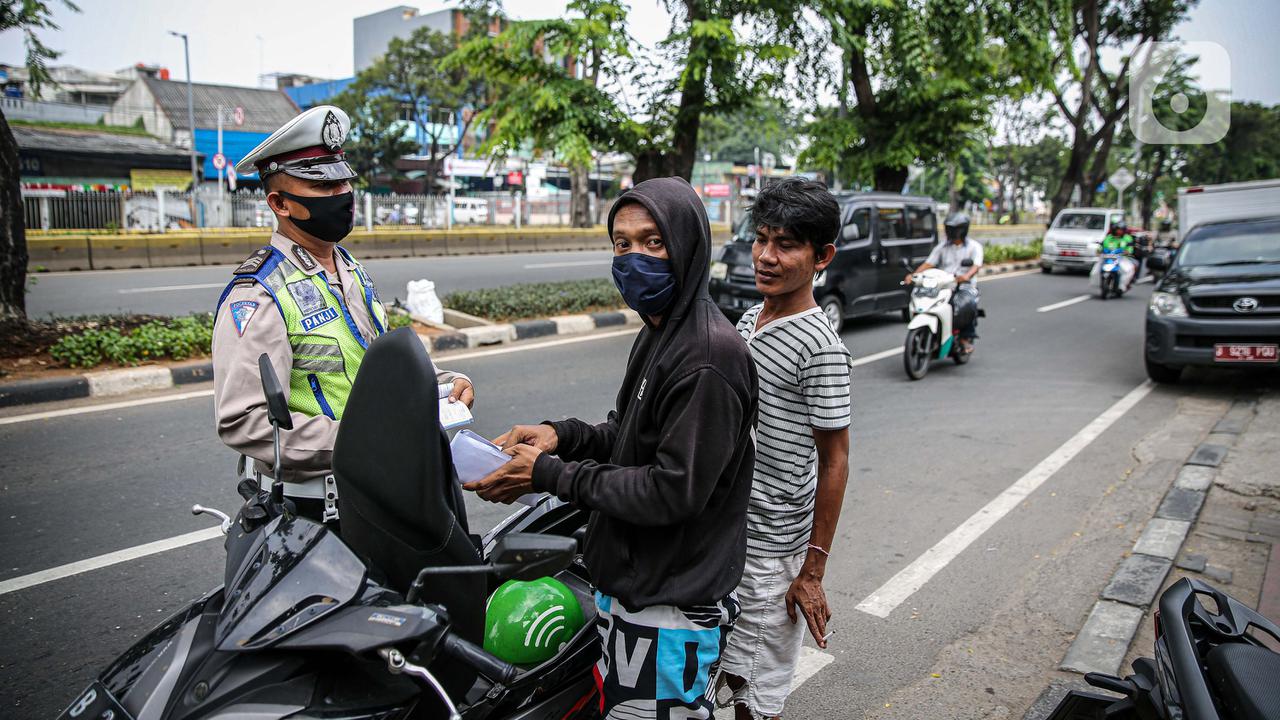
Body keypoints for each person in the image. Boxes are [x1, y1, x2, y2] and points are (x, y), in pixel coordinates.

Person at [463, 177, 758, 720]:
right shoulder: (660, 332)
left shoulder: (707, 358)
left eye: (653, 242)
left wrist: (549, 474)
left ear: (688, 245)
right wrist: (563, 436)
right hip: (631, 588)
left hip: (666, 606)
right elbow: (627, 439)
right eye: (621, 243)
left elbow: (671, 490)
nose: (633, 257)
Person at [212, 105, 473, 523]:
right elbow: (244, 422)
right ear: (280, 203)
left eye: (344, 183)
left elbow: (367, 360)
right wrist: (362, 441)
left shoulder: (349, 268)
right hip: (313, 512)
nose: (343, 197)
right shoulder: (259, 293)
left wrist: (440, 385)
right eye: (324, 188)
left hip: (375, 492)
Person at [717, 178, 852, 720]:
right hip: (729, 532)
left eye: (787, 245)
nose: (767, 257)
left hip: (772, 552)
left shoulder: (821, 347)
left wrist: (812, 571)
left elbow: (836, 460)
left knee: (756, 691)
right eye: (762, 239)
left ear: (822, 257)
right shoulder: (753, 319)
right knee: (724, 668)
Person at [904, 212, 983, 353]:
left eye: (955, 229)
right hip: (943, 284)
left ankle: (966, 337)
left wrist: (966, 276)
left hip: (964, 285)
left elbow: (976, 266)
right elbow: (929, 263)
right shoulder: (942, 247)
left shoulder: (974, 247)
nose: (951, 232)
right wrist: (914, 275)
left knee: (967, 306)